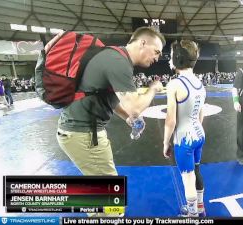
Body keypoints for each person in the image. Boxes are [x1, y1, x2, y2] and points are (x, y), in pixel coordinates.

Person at [56, 26, 165, 177]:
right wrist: (153, 88)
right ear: (142, 43)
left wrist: (127, 117)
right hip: (84, 134)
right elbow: (135, 108)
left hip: (81, 132)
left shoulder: (115, 56)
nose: (157, 58)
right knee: (111, 194)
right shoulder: (118, 62)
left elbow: (105, 97)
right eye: (156, 51)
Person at [163, 40, 206, 217]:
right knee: (196, 170)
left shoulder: (174, 84)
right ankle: (201, 207)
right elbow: (200, 115)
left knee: (187, 178)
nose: (168, 60)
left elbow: (170, 120)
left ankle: (192, 214)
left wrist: (166, 142)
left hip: (184, 139)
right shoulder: (200, 83)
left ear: (177, 59)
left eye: (170, 56)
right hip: (199, 135)